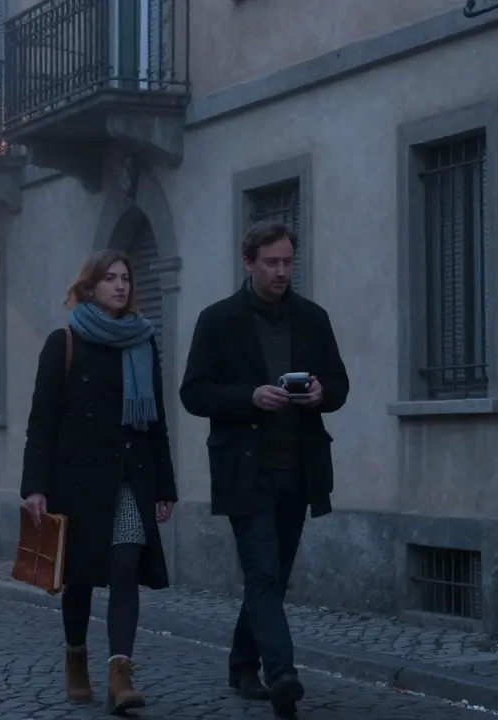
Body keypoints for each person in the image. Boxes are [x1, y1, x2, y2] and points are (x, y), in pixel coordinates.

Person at [178, 220, 348, 718]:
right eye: (271, 262)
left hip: (299, 468)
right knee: (263, 571)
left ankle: (241, 662)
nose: (281, 271)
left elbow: (339, 382)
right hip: (245, 469)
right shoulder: (218, 320)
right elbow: (193, 392)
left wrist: (322, 394)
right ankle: (282, 674)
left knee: (272, 577)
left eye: (288, 261)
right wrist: (249, 397)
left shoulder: (312, 318)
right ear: (248, 262)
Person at [20, 248, 178, 715]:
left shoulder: (142, 343)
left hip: (129, 478)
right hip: (76, 480)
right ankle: (75, 656)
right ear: (89, 287)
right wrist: (35, 486)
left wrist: (165, 486)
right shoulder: (64, 342)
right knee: (81, 580)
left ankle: (120, 674)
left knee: (125, 566)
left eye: (125, 277)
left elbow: (157, 423)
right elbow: (41, 422)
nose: (120, 285)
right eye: (110, 278)